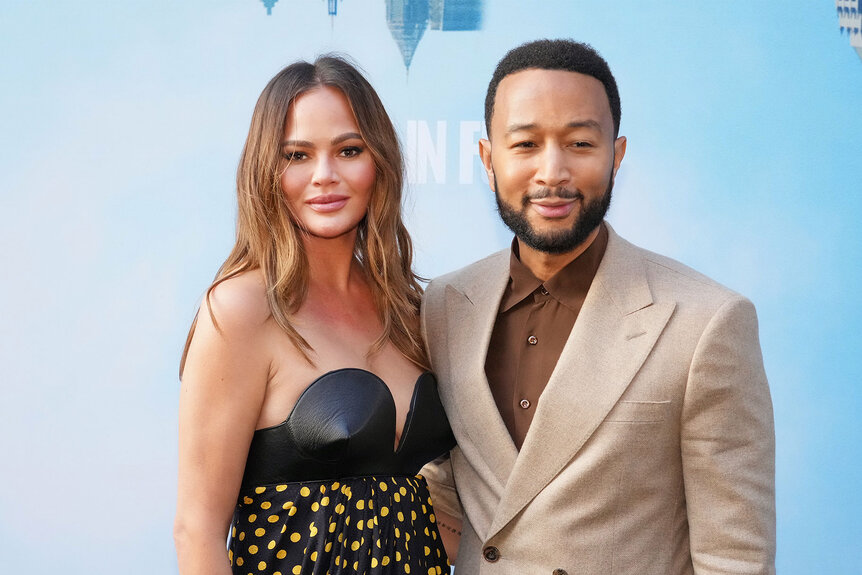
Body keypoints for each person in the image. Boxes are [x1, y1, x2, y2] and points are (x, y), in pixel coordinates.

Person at [421, 39, 776, 574]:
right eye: (525, 145)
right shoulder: (444, 308)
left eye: (580, 143)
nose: (552, 172)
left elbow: (735, 556)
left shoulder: (706, 322)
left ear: (617, 155)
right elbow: (443, 499)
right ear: (488, 160)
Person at [173, 55, 456, 575]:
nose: (325, 176)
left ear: (380, 164)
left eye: (349, 150)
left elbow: (439, 509)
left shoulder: (411, 311)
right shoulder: (242, 310)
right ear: (267, 171)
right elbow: (197, 531)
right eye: (297, 155)